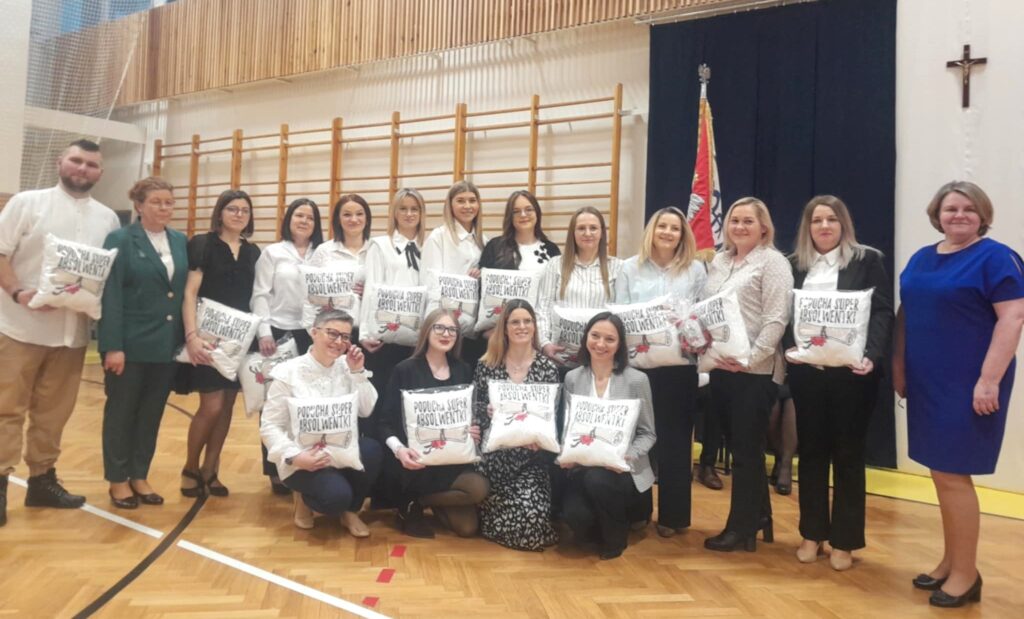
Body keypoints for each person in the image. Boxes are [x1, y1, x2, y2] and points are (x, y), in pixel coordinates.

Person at [894, 181, 1024, 608]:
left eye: (969, 208)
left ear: (983, 215)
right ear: (937, 214)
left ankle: (967, 575)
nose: (959, 215)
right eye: (951, 208)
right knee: (941, 472)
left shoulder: (996, 257)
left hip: (970, 382)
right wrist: (899, 367)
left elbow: (1013, 317)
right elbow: (907, 314)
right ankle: (952, 562)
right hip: (928, 381)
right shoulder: (922, 257)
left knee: (953, 474)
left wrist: (989, 379)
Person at [0, 139, 120, 526]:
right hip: (18, 328)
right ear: (60, 162)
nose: (83, 169)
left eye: (91, 164)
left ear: (100, 173)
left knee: (54, 414)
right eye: (76, 161)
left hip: (72, 335)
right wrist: (19, 293)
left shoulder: (108, 219)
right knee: (6, 410)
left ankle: (41, 481)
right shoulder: (27, 203)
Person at [783, 195, 893, 570]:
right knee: (811, 454)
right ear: (807, 227)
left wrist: (872, 355)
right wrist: (788, 348)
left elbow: (882, 312)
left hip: (853, 376)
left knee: (848, 456)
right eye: (817, 220)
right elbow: (785, 315)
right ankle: (811, 534)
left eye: (832, 219)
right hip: (808, 375)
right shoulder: (794, 265)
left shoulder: (867, 260)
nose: (824, 226)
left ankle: (844, 541)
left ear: (844, 224)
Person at [699, 197, 792, 552]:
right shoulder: (720, 261)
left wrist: (751, 359)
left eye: (748, 221)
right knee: (739, 445)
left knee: (746, 451)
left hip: (756, 371)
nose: (739, 226)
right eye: (734, 220)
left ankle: (741, 528)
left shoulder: (773, 262)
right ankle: (759, 514)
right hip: (722, 367)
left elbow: (776, 320)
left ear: (763, 227)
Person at [614, 206, 706, 538]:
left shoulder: (696, 269)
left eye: (675, 228)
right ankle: (637, 511)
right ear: (651, 231)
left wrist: (690, 325)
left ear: (683, 235)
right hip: (638, 369)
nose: (668, 232)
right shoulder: (629, 268)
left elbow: (702, 314)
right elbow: (619, 314)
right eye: (662, 226)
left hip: (679, 369)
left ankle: (674, 516)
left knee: (676, 442)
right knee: (637, 441)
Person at [98, 177, 188, 509]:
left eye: (169, 202)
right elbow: (111, 294)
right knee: (121, 413)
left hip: (165, 346)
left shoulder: (179, 240)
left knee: (151, 414)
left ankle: (139, 474)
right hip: (129, 345)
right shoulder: (120, 239)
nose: (164, 208)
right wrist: (112, 345)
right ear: (139, 205)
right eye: (156, 202)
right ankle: (117, 479)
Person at [260, 310, 383, 535]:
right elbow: (270, 425)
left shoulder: (348, 366)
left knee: (372, 450)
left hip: (341, 451)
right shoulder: (288, 372)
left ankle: (351, 511)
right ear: (314, 332)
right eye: (332, 333)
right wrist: (295, 457)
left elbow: (366, 410)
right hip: (304, 456)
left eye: (345, 337)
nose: (338, 342)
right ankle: (305, 498)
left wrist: (358, 372)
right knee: (335, 498)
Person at [176, 189, 260, 498]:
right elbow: (189, 293)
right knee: (210, 406)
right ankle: (190, 467)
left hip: (239, 342)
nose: (239, 214)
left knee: (226, 408)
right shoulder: (202, 244)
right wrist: (192, 336)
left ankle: (210, 469)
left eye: (244, 210)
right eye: (232, 209)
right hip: (207, 339)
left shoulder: (253, 252)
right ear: (220, 213)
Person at [377, 309, 489, 539]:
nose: (446, 334)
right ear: (427, 331)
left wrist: (471, 430)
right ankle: (408, 498)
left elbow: (466, 416)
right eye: (439, 328)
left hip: (451, 462)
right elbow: (384, 423)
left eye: (452, 330)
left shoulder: (463, 369)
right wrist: (400, 450)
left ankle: (416, 502)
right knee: (466, 522)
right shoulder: (405, 369)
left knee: (470, 521)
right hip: (416, 464)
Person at [561, 312, 656, 560]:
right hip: (583, 467)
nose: (600, 344)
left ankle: (616, 537)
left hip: (622, 472)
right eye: (595, 336)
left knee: (598, 479)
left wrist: (628, 456)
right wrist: (566, 454)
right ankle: (600, 526)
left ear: (620, 344)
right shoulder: (572, 378)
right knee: (575, 517)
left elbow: (648, 433)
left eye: (609, 339)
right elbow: (568, 428)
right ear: (586, 338)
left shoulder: (637, 380)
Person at [472, 298, 560, 551]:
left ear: (534, 326)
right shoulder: (487, 365)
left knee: (531, 520)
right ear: (505, 328)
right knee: (522, 524)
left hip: (530, 460)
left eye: (527, 321)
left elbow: (552, 417)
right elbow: (475, 409)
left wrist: (540, 441)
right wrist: (487, 412)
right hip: (494, 459)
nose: (522, 327)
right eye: (515, 322)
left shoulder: (548, 368)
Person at [250, 198, 324, 495]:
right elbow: (260, 294)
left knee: (308, 401)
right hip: (278, 332)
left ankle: (305, 464)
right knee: (274, 401)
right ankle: (275, 469)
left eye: (310, 217)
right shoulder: (273, 252)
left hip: (313, 333)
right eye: (299, 216)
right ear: (288, 219)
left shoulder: (323, 253)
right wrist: (264, 331)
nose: (304, 221)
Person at [360, 188, 425, 462]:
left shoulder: (429, 247)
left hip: (418, 339)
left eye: (414, 209)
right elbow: (371, 288)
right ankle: (380, 466)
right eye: (403, 208)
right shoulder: (381, 245)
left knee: (409, 404)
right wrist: (366, 332)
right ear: (394, 213)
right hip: (386, 338)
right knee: (383, 402)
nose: (409, 214)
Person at [537, 206, 622, 367]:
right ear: (573, 233)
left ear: (602, 233)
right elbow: (542, 308)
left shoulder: (617, 267)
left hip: (601, 357)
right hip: (561, 358)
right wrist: (545, 343)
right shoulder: (555, 265)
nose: (587, 233)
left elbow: (621, 314)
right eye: (581, 228)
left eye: (593, 228)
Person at [420, 181, 488, 367]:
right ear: (450, 205)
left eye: (472, 200)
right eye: (460, 201)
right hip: (445, 328)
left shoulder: (483, 240)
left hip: (472, 328)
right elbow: (429, 283)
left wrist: (481, 277)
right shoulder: (438, 236)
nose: (467, 206)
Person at [479, 190, 560, 272]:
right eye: (516, 211)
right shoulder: (494, 247)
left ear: (537, 213)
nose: (523, 215)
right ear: (510, 216)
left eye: (529, 209)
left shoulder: (552, 250)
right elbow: (482, 277)